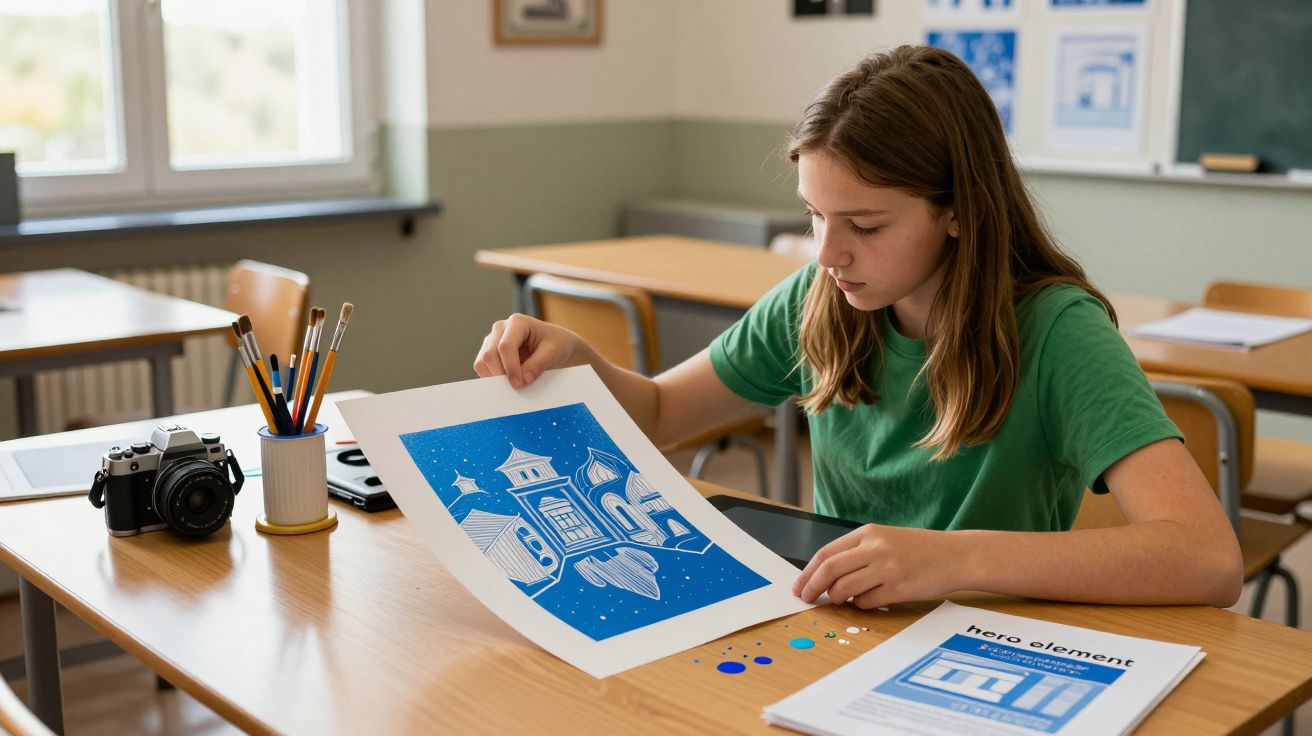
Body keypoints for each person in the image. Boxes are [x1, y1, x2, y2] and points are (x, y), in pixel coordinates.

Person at [472, 46, 1243, 609]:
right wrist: (579, 363)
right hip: (848, 625)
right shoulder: (821, 300)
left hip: (988, 637)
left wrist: (948, 560)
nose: (829, 254)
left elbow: (1206, 559)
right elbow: (663, 414)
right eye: (814, 216)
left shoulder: (1056, 330)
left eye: (865, 226)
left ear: (960, 212)